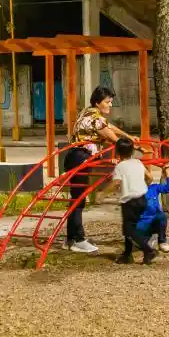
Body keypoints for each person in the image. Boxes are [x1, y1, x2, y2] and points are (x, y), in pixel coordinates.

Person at [64, 86, 147, 254]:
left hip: (78, 156)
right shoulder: (95, 119)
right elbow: (113, 138)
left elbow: (111, 127)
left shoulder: (90, 114)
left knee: (77, 199)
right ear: (98, 102)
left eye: (111, 101)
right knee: (78, 200)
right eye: (107, 102)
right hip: (80, 157)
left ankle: (72, 239)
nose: (110, 104)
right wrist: (133, 147)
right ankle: (77, 240)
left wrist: (129, 137)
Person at [106, 138, 153, 264]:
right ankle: (127, 254)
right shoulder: (138, 162)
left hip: (130, 202)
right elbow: (150, 177)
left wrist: (103, 193)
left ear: (117, 152)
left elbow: (116, 183)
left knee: (129, 230)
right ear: (132, 151)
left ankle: (148, 250)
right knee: (131, 227)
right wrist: (143, 185)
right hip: (142, 199)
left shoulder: (120, 167)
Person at [131, 162, 169, 264]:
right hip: (141, 226)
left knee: (161, 216)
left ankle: (162, 242)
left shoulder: (153, 188)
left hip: (152, 223)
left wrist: (167, 172)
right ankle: (145, 246)